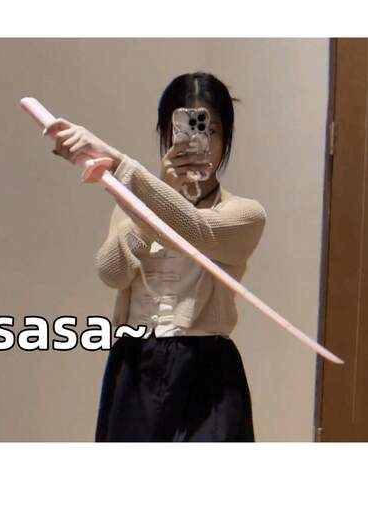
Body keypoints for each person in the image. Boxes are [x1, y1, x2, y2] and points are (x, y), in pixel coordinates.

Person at [46, 71, 267, 442]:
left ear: (227, 137)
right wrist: (157, 195)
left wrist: (117, 163)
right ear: (167, 133)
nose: (199, 142)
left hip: (207, 368)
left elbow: (197, 230)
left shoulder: (244, 213)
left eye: (211, 130)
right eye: (185, 128)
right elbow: (111, 273)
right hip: (136, 362)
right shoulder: (133, 208)